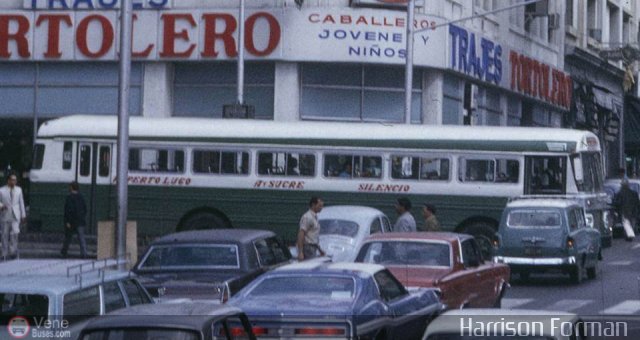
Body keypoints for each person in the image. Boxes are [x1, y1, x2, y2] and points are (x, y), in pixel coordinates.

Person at [0, 173, 26, 260]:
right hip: (5, 215)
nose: (14, 181)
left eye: (15, 180)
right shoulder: (2, 190)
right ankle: (4, 253)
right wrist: (2, 206)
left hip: (15, 215)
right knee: (4, 235)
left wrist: (23, 215)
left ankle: (12, 252)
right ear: (8, 180)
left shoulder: (19, 190)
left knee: (14, 234)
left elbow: (21, 202)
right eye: (13, 180)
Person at [61, 181, 88, 258]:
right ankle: (84, 253)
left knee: (68, 238)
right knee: (81, 238)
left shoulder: (69, 197)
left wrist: (67, 221)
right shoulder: (81, 197)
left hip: (71, 221)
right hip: (80, 221)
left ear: (71, 187)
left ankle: (64, 251)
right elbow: (85, 209)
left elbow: (67, 210)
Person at [296, 196, 325, 260]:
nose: (321, 208)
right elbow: (301, 234)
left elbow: (313, 236)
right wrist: (300, 252)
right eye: (319, 206)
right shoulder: (307, 217)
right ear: (313, 205)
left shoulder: (314, 217)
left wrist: (320, 250)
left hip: (313, 247)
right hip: (307, 247)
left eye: (322, 206)